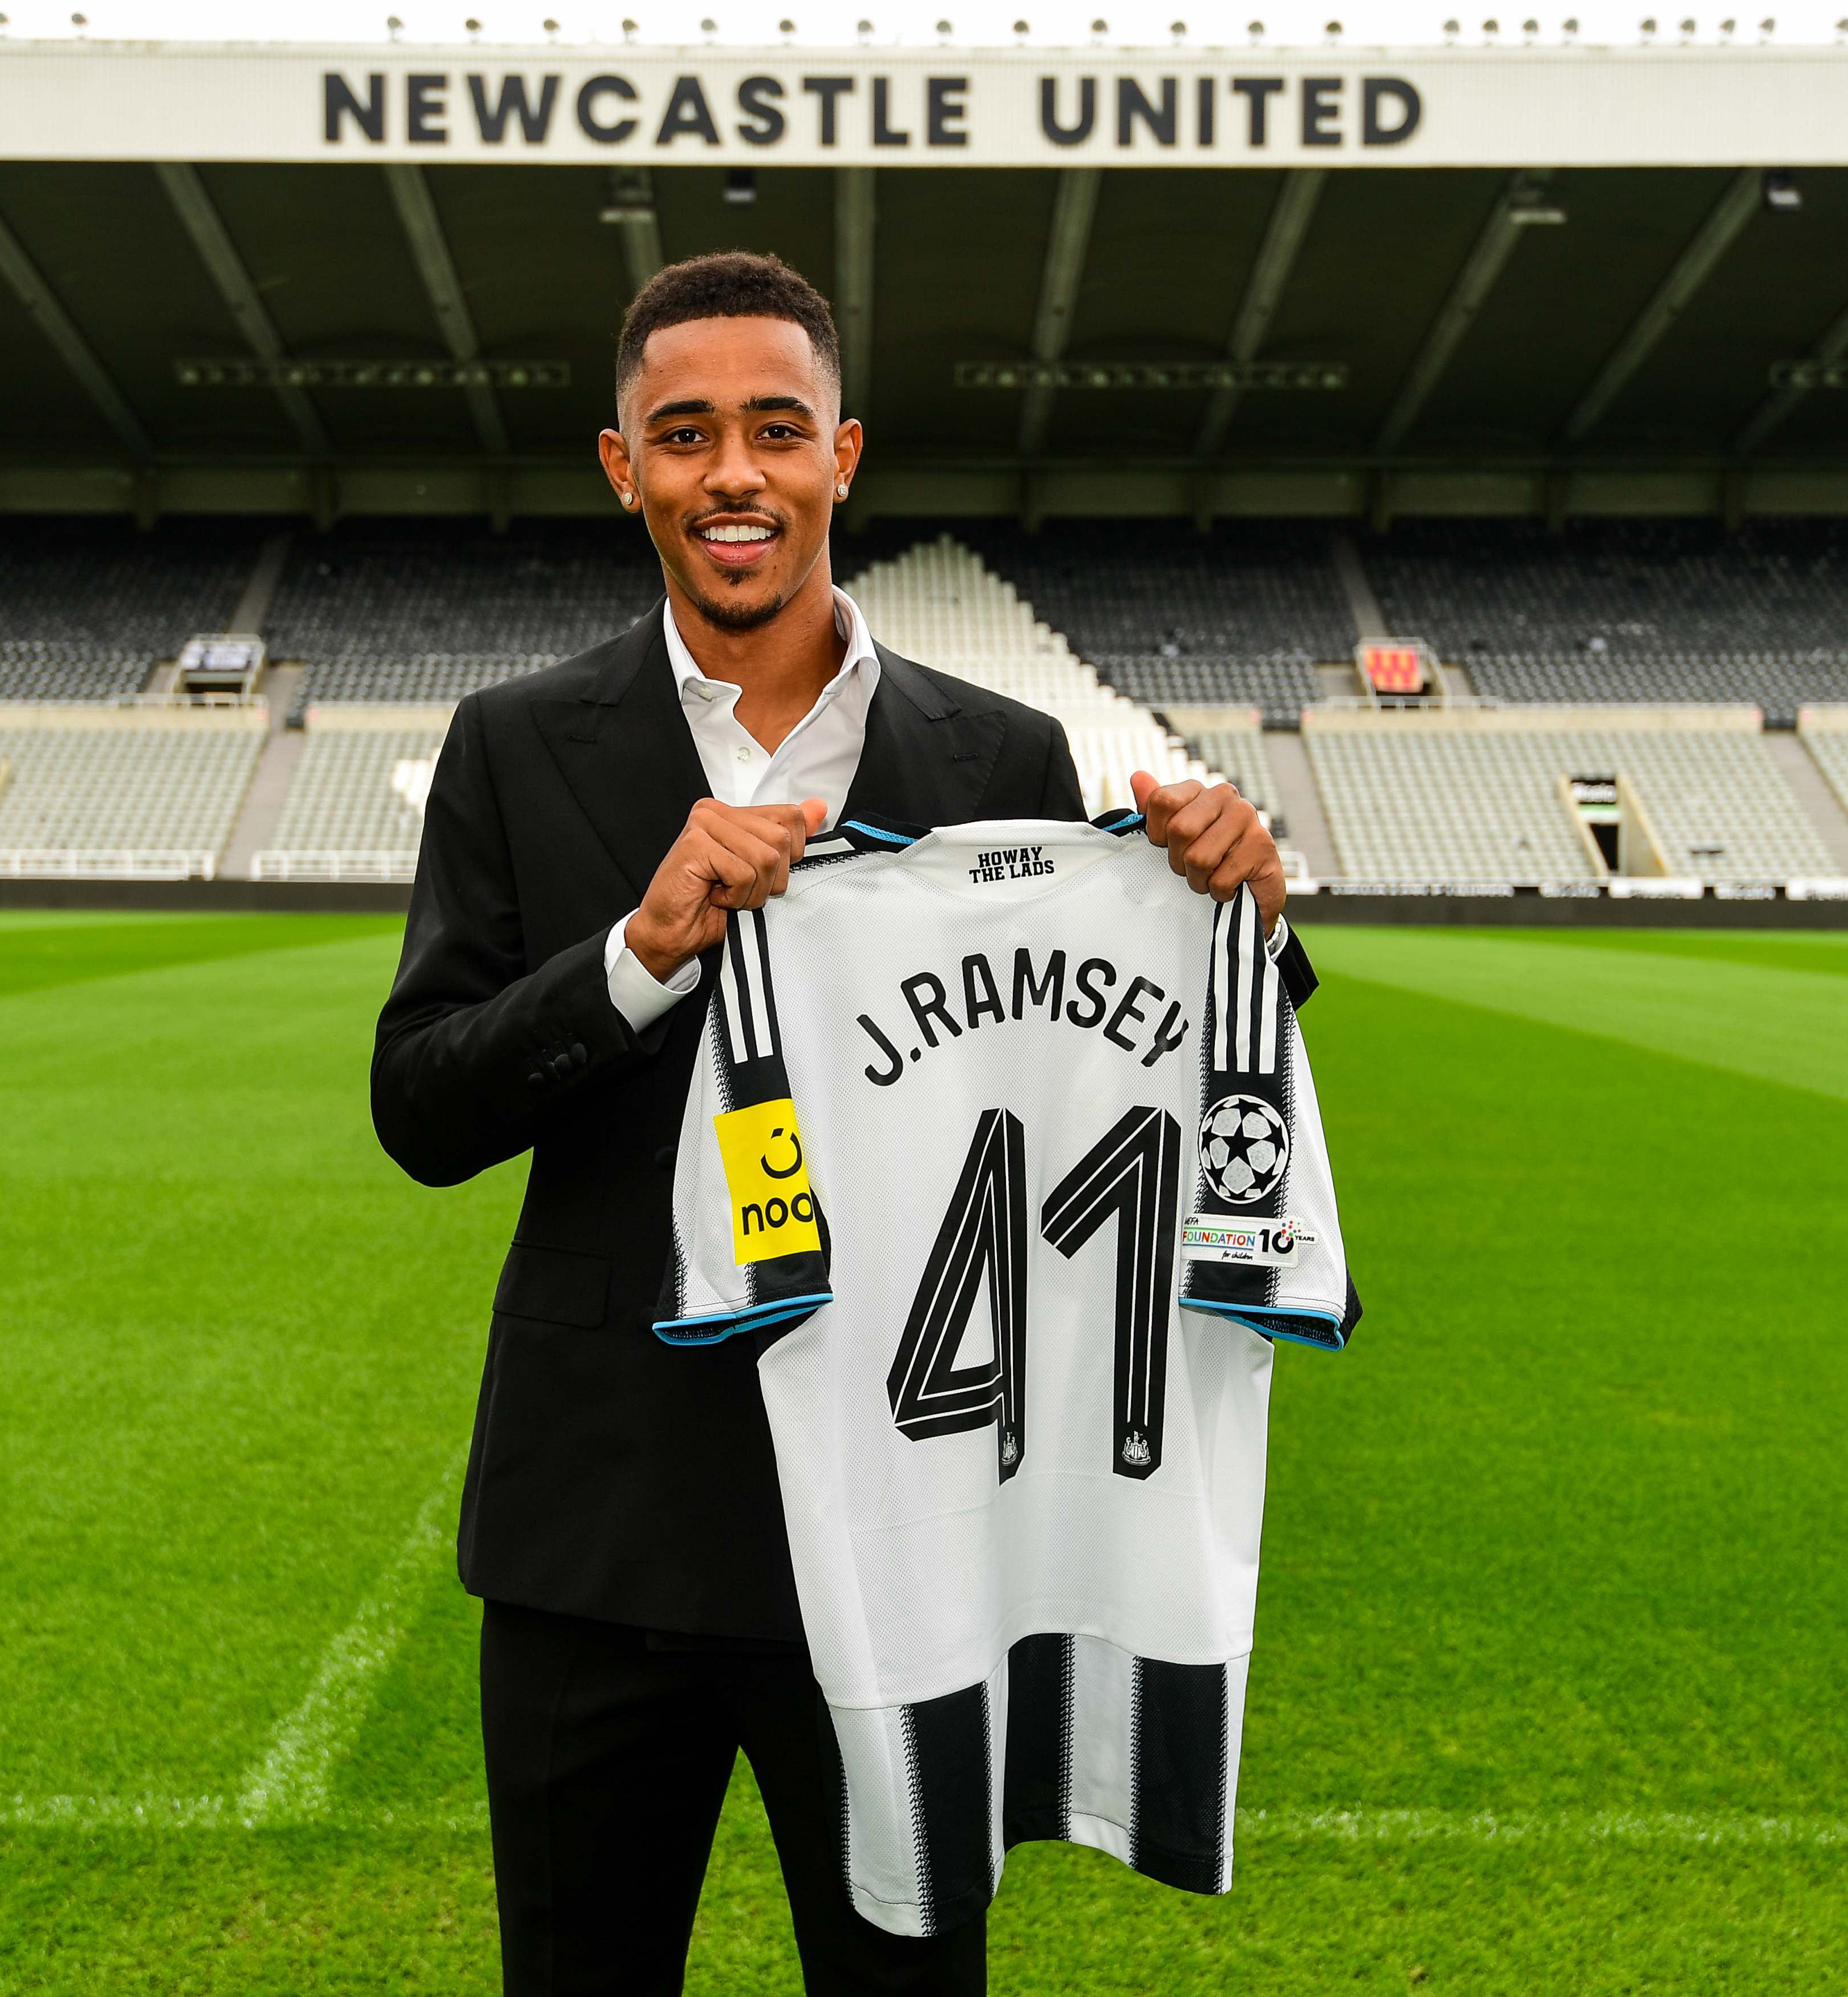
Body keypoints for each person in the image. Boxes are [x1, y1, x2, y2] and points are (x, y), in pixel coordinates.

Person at [371, 252, 1310, 1997]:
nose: (732, 474)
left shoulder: (1000, 755)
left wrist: (1244, 920)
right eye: (684, 434)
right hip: (602, 1527)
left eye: (775, 429)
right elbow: (421, 1106)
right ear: (623, 466)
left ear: (842, 455)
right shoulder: (513, 744)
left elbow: (1103, 1068)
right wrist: (640, 955)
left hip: (911, 1536)